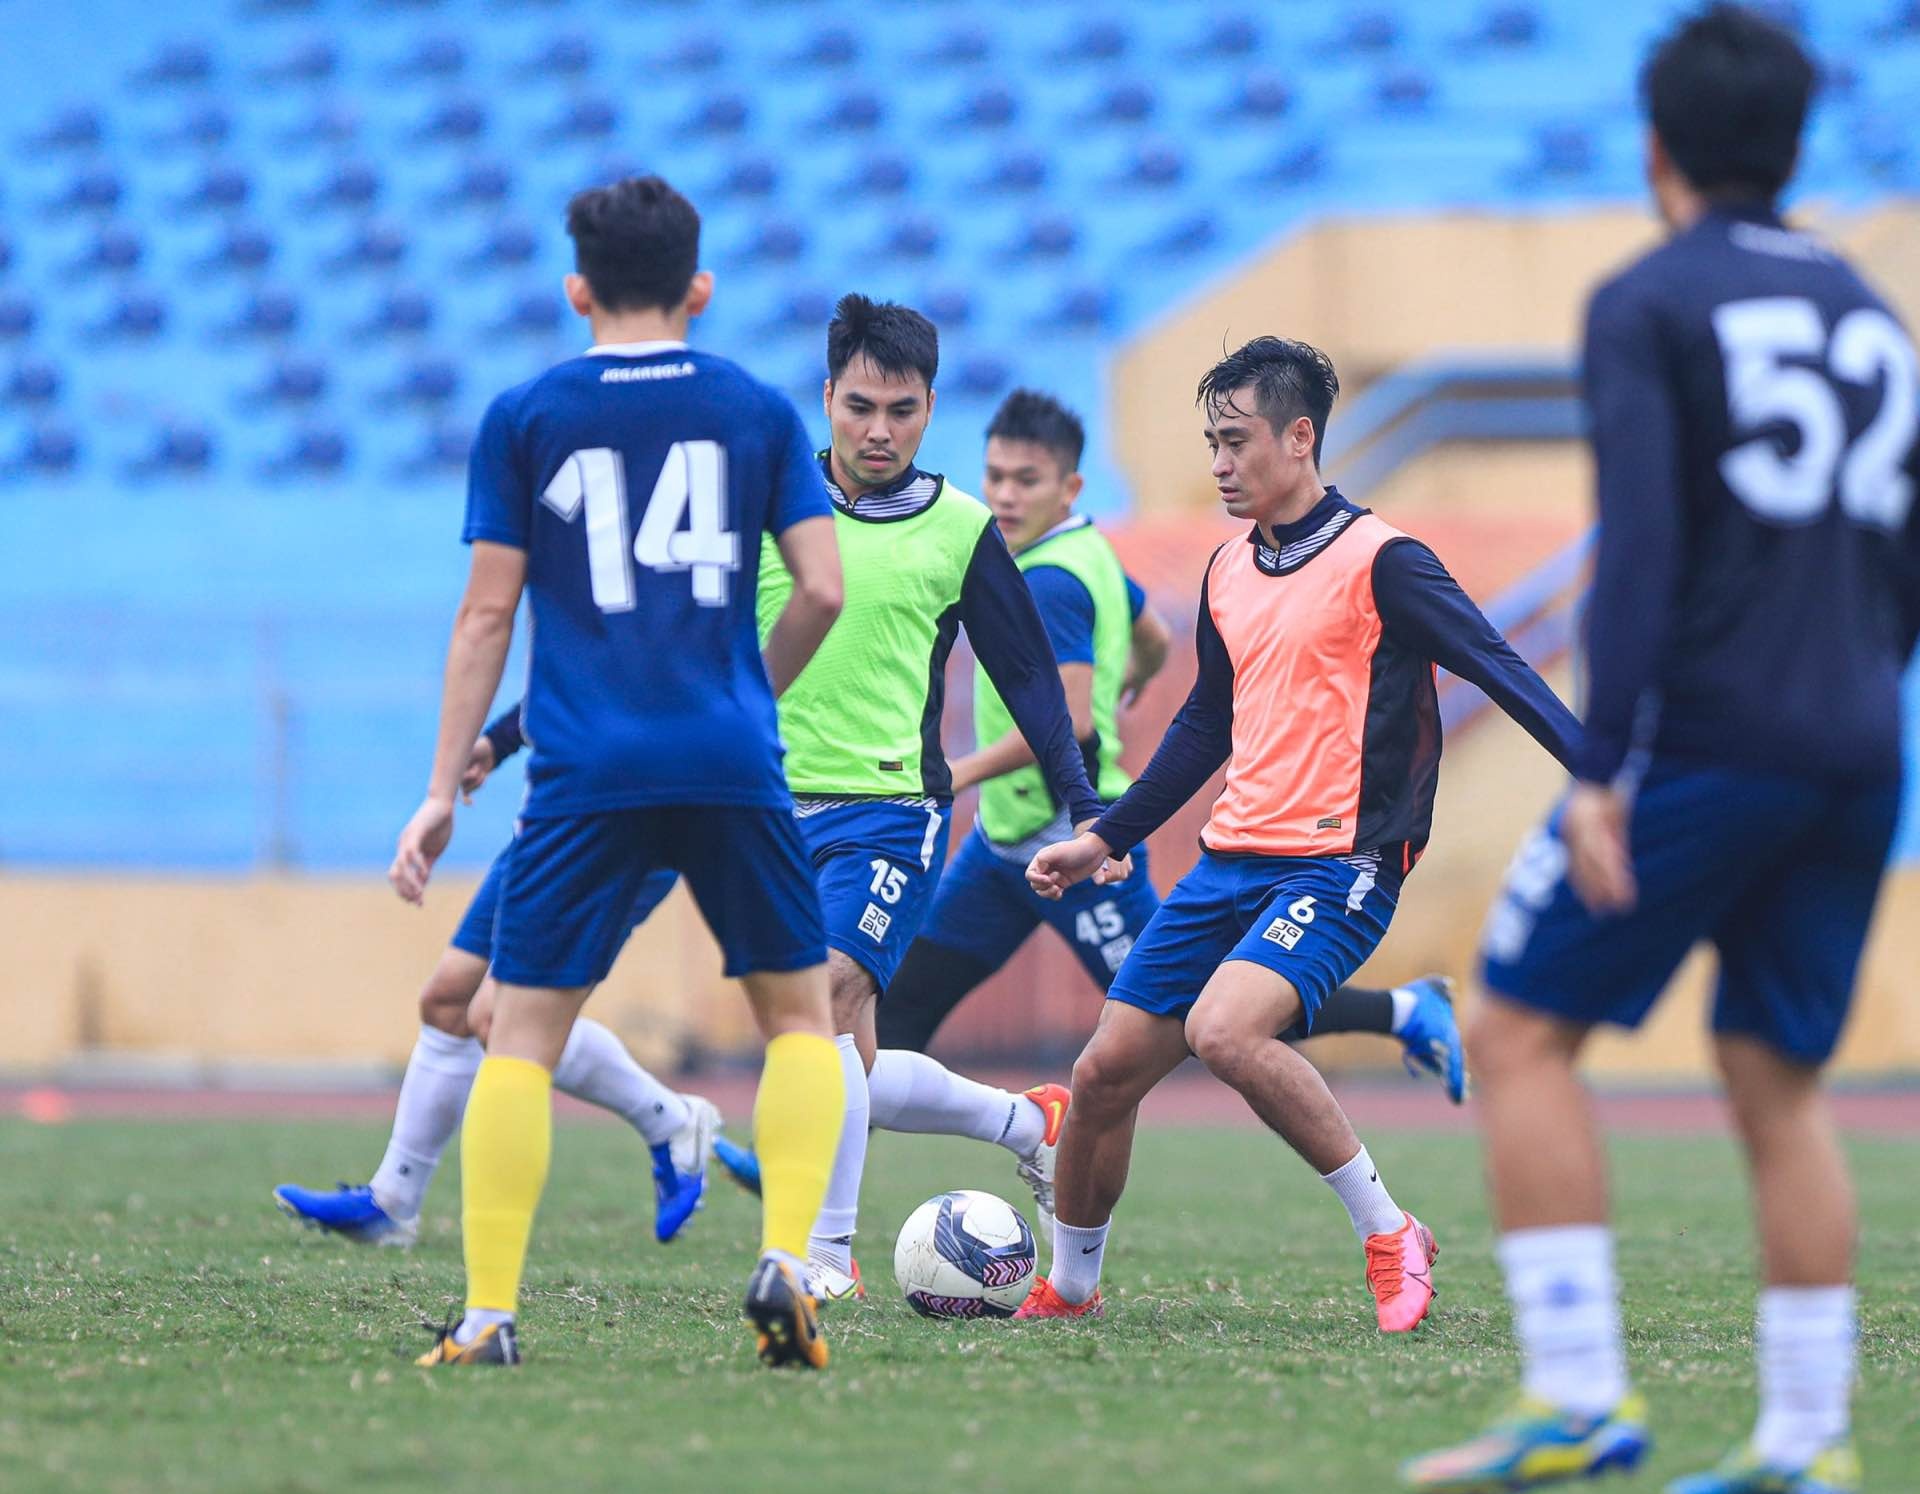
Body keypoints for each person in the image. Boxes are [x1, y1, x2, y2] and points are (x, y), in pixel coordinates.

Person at [1400, 7, 1920, 1494]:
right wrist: (1845, 699)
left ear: (1657, 148)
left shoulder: (1648, 298)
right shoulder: (1868, 308)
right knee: (1776, 1074)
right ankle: (1804, 1433)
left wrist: (1599, 770)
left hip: (1712, 737)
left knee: (1517, 1027)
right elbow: (1919, 556)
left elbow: (1638, 554)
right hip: (1858, 740)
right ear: (1792, 142)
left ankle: (1575, 1393)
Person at [1019, 337, 1580, 1332]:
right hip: (1227, 859)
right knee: (1102, 1073)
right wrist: (1105, 837)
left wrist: (1605, 781)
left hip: (1339, 865)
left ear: (1299, 435)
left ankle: (1389, 1228)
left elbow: (1501, 667)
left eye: (1235, 442)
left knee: (1223, 1030)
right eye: (1210, 444)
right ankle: (1068, 1282)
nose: (1220, 463)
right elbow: (1202, 726)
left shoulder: (1384, 563)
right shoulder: (1228, 567)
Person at [392, 174, 851, 1370]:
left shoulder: (525, 414)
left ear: (575, 287)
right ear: (699, 286)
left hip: (587, 764)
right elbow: (822, 587)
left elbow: (486, 614)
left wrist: (444, 786)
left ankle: (489, 1314)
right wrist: (747, 690)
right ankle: (790, 1264)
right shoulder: (753, 409)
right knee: (798, 1019)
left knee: (523, 1038)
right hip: (728, 752)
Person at [855, 389, 1467, 1244]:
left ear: (1070, 487)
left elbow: (1065, 723)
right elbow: (1150, 638)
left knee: (1206, 1019)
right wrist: (1132, 683)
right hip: (1009, 848)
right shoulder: (1102, 556)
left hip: (1080, 836)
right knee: (917, 1015)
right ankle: (823, 1174)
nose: (1003, 495)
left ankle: (1400, 1052)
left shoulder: (1057, 580)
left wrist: (964, 775)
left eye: (1025, 480)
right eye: (993, 475)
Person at [749, 298, 1109, 1301]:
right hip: (770, 813)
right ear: (824, 399)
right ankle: (1027, 1123)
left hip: (889, 812)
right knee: (846, 1061)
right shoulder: (769, 509)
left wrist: (1081, 804)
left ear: (929, 408)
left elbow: (1032, 677)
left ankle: (822, 1256)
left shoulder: (957, 528)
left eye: (900, 410)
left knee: (821, 1001)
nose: (877, 429)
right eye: (858, 406)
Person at [273, 705, 720, 1250]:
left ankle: (669, 1123)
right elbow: (572, 664)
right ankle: (392, 1201)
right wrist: (502, 740)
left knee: (502, 1018)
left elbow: (638, 672)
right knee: (449, 1003)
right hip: (547, 827)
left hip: (621, 824)